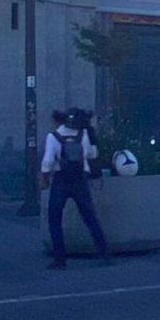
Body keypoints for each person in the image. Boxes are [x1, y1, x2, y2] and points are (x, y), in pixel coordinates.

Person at [41, 108, 109, 270]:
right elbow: (92, 154)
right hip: (80, 179)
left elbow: (48, 161)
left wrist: (44, 179)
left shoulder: (53, 137)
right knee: (90, 217)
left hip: (61, 179)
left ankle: (60, 259)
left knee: (55, 219)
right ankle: (104, 253)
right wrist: (92, 137)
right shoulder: (83, 134)